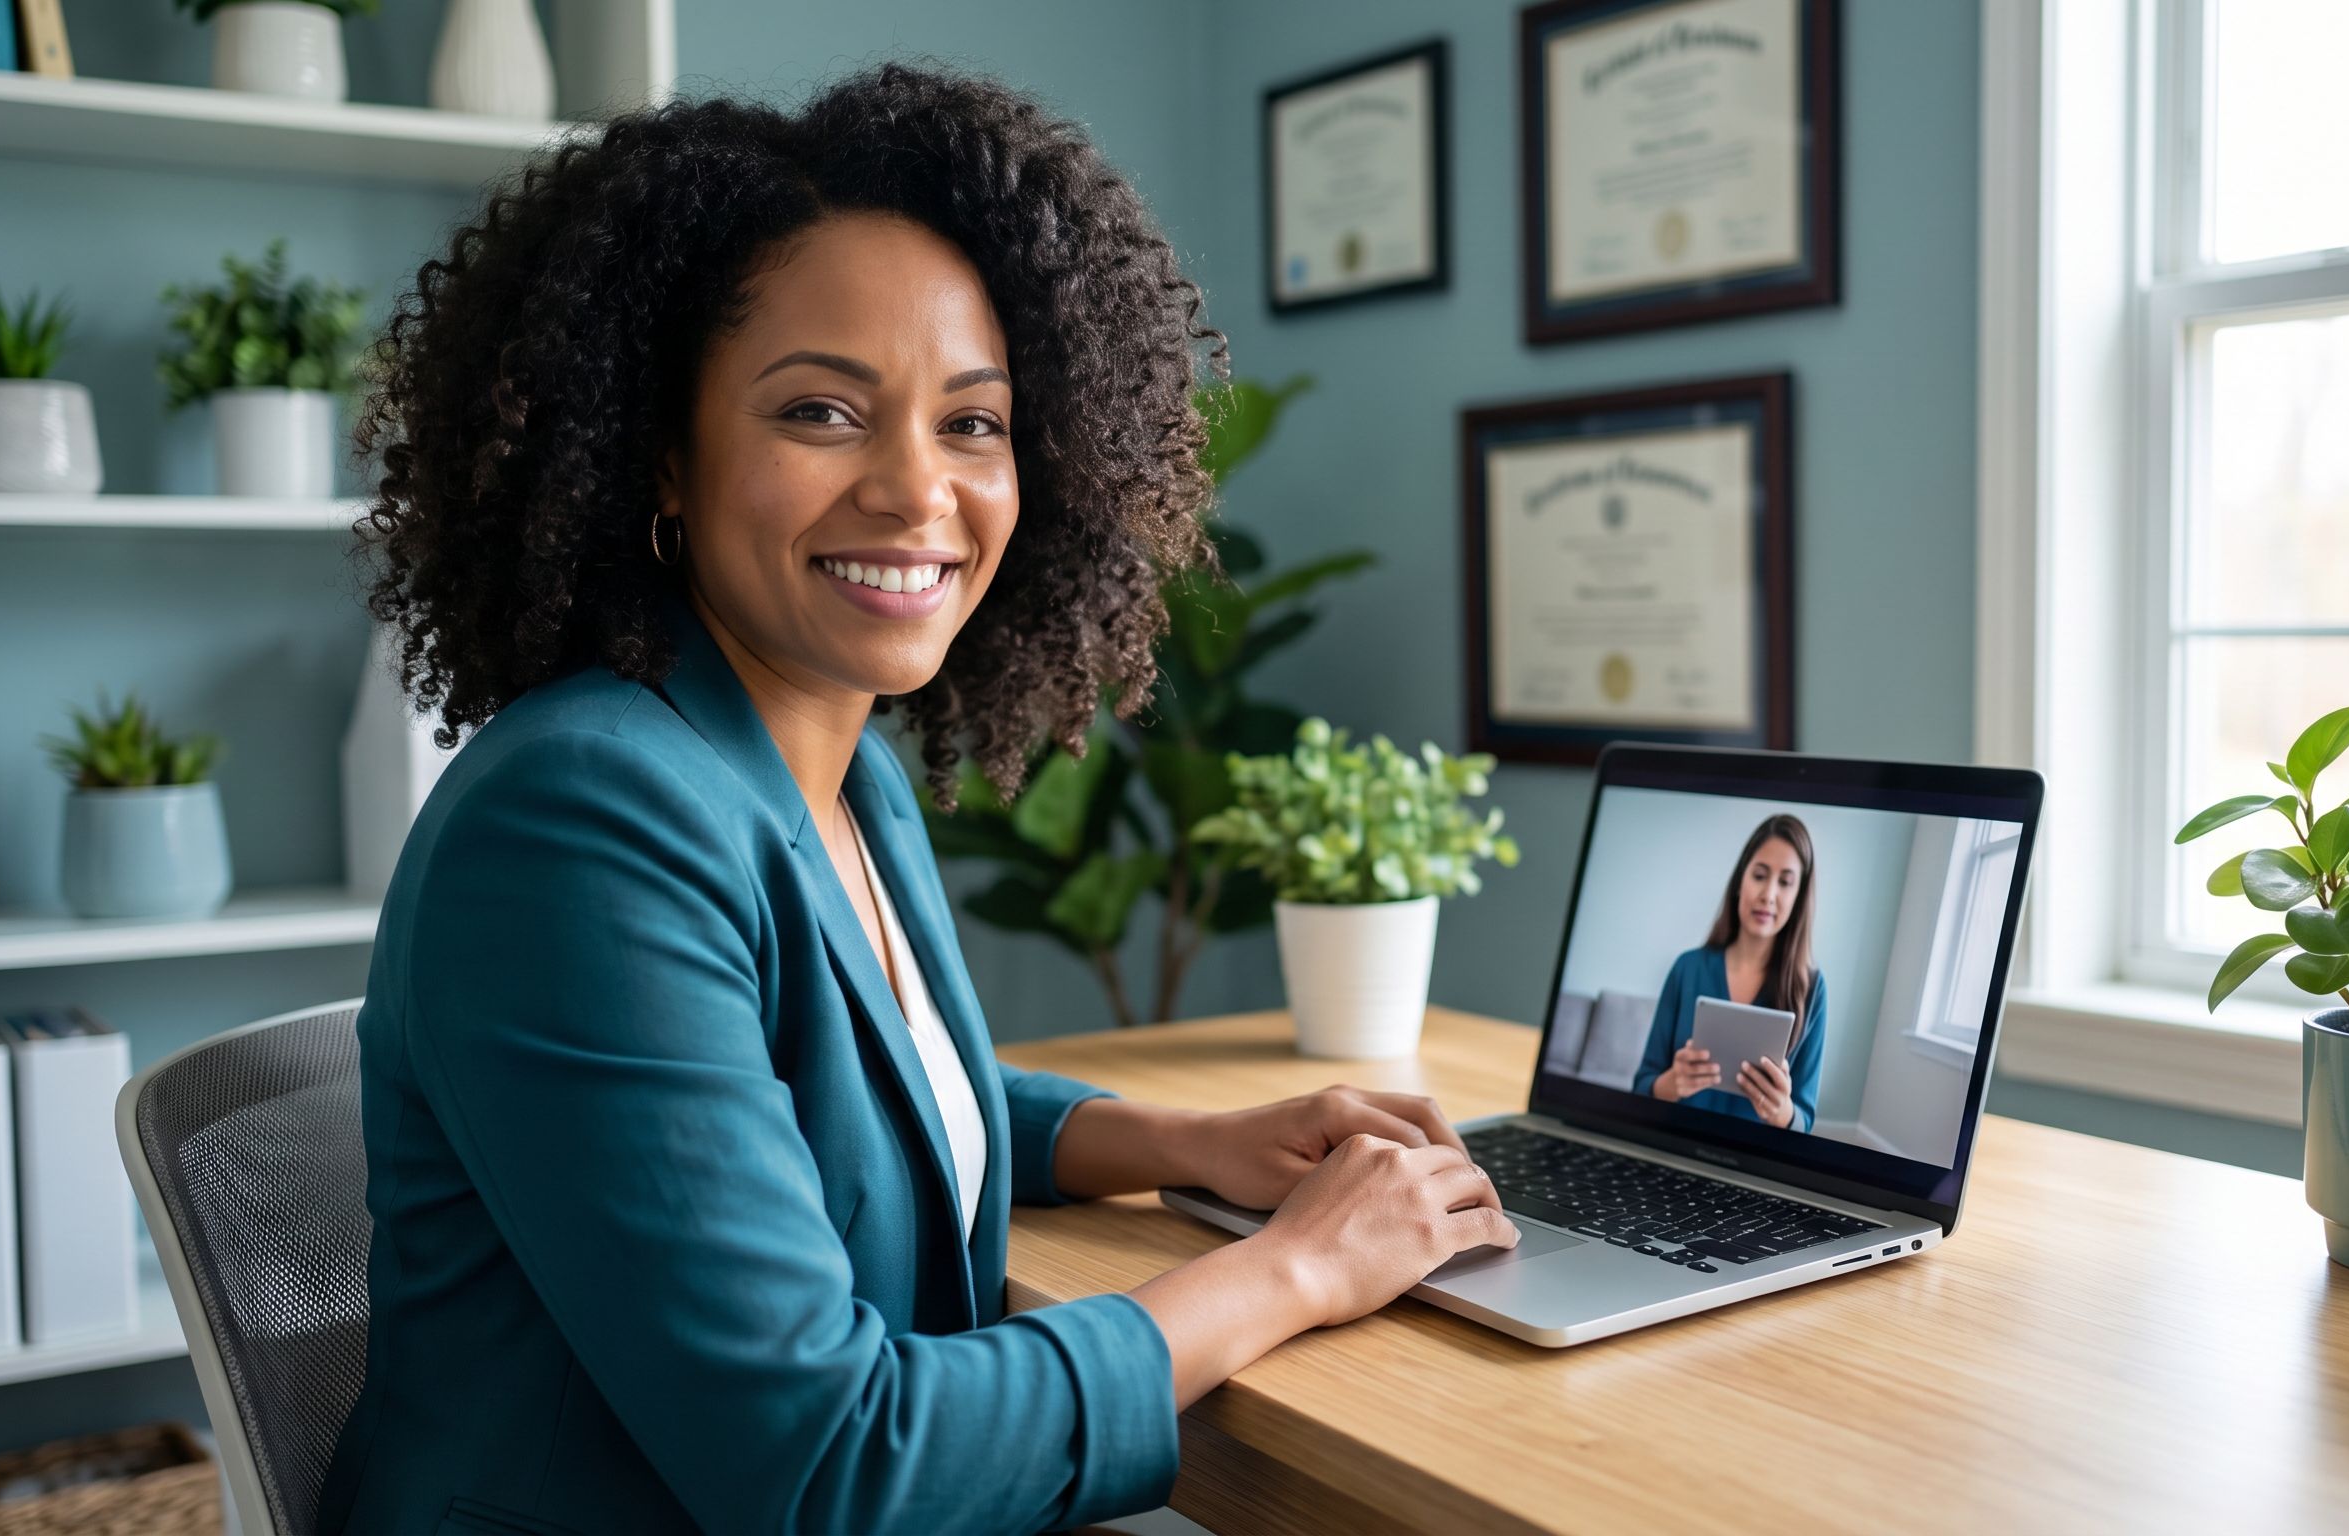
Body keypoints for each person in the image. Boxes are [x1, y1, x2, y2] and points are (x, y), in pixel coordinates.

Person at [314, 68, 1515, 1536]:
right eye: (823, 411)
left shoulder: (840, 773)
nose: (916, 490)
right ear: (662, 459)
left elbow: (837, 1093)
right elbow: (836, 1467)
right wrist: (1297, 1270)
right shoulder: (579, 820)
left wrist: (1176, 1143)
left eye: (974, 423)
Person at [1631, 814, 1828, 1131]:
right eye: (1760, 875)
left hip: (1753, 1163)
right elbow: (1642, 1086)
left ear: (1799, 897)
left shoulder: (1812, 989)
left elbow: (1803, 1121)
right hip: (1675, 1145)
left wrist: (1781, 1112)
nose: (1768, 895)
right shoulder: (1687, 968)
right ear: (1740, 881)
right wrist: (1672, 1083)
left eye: (1785, 882)